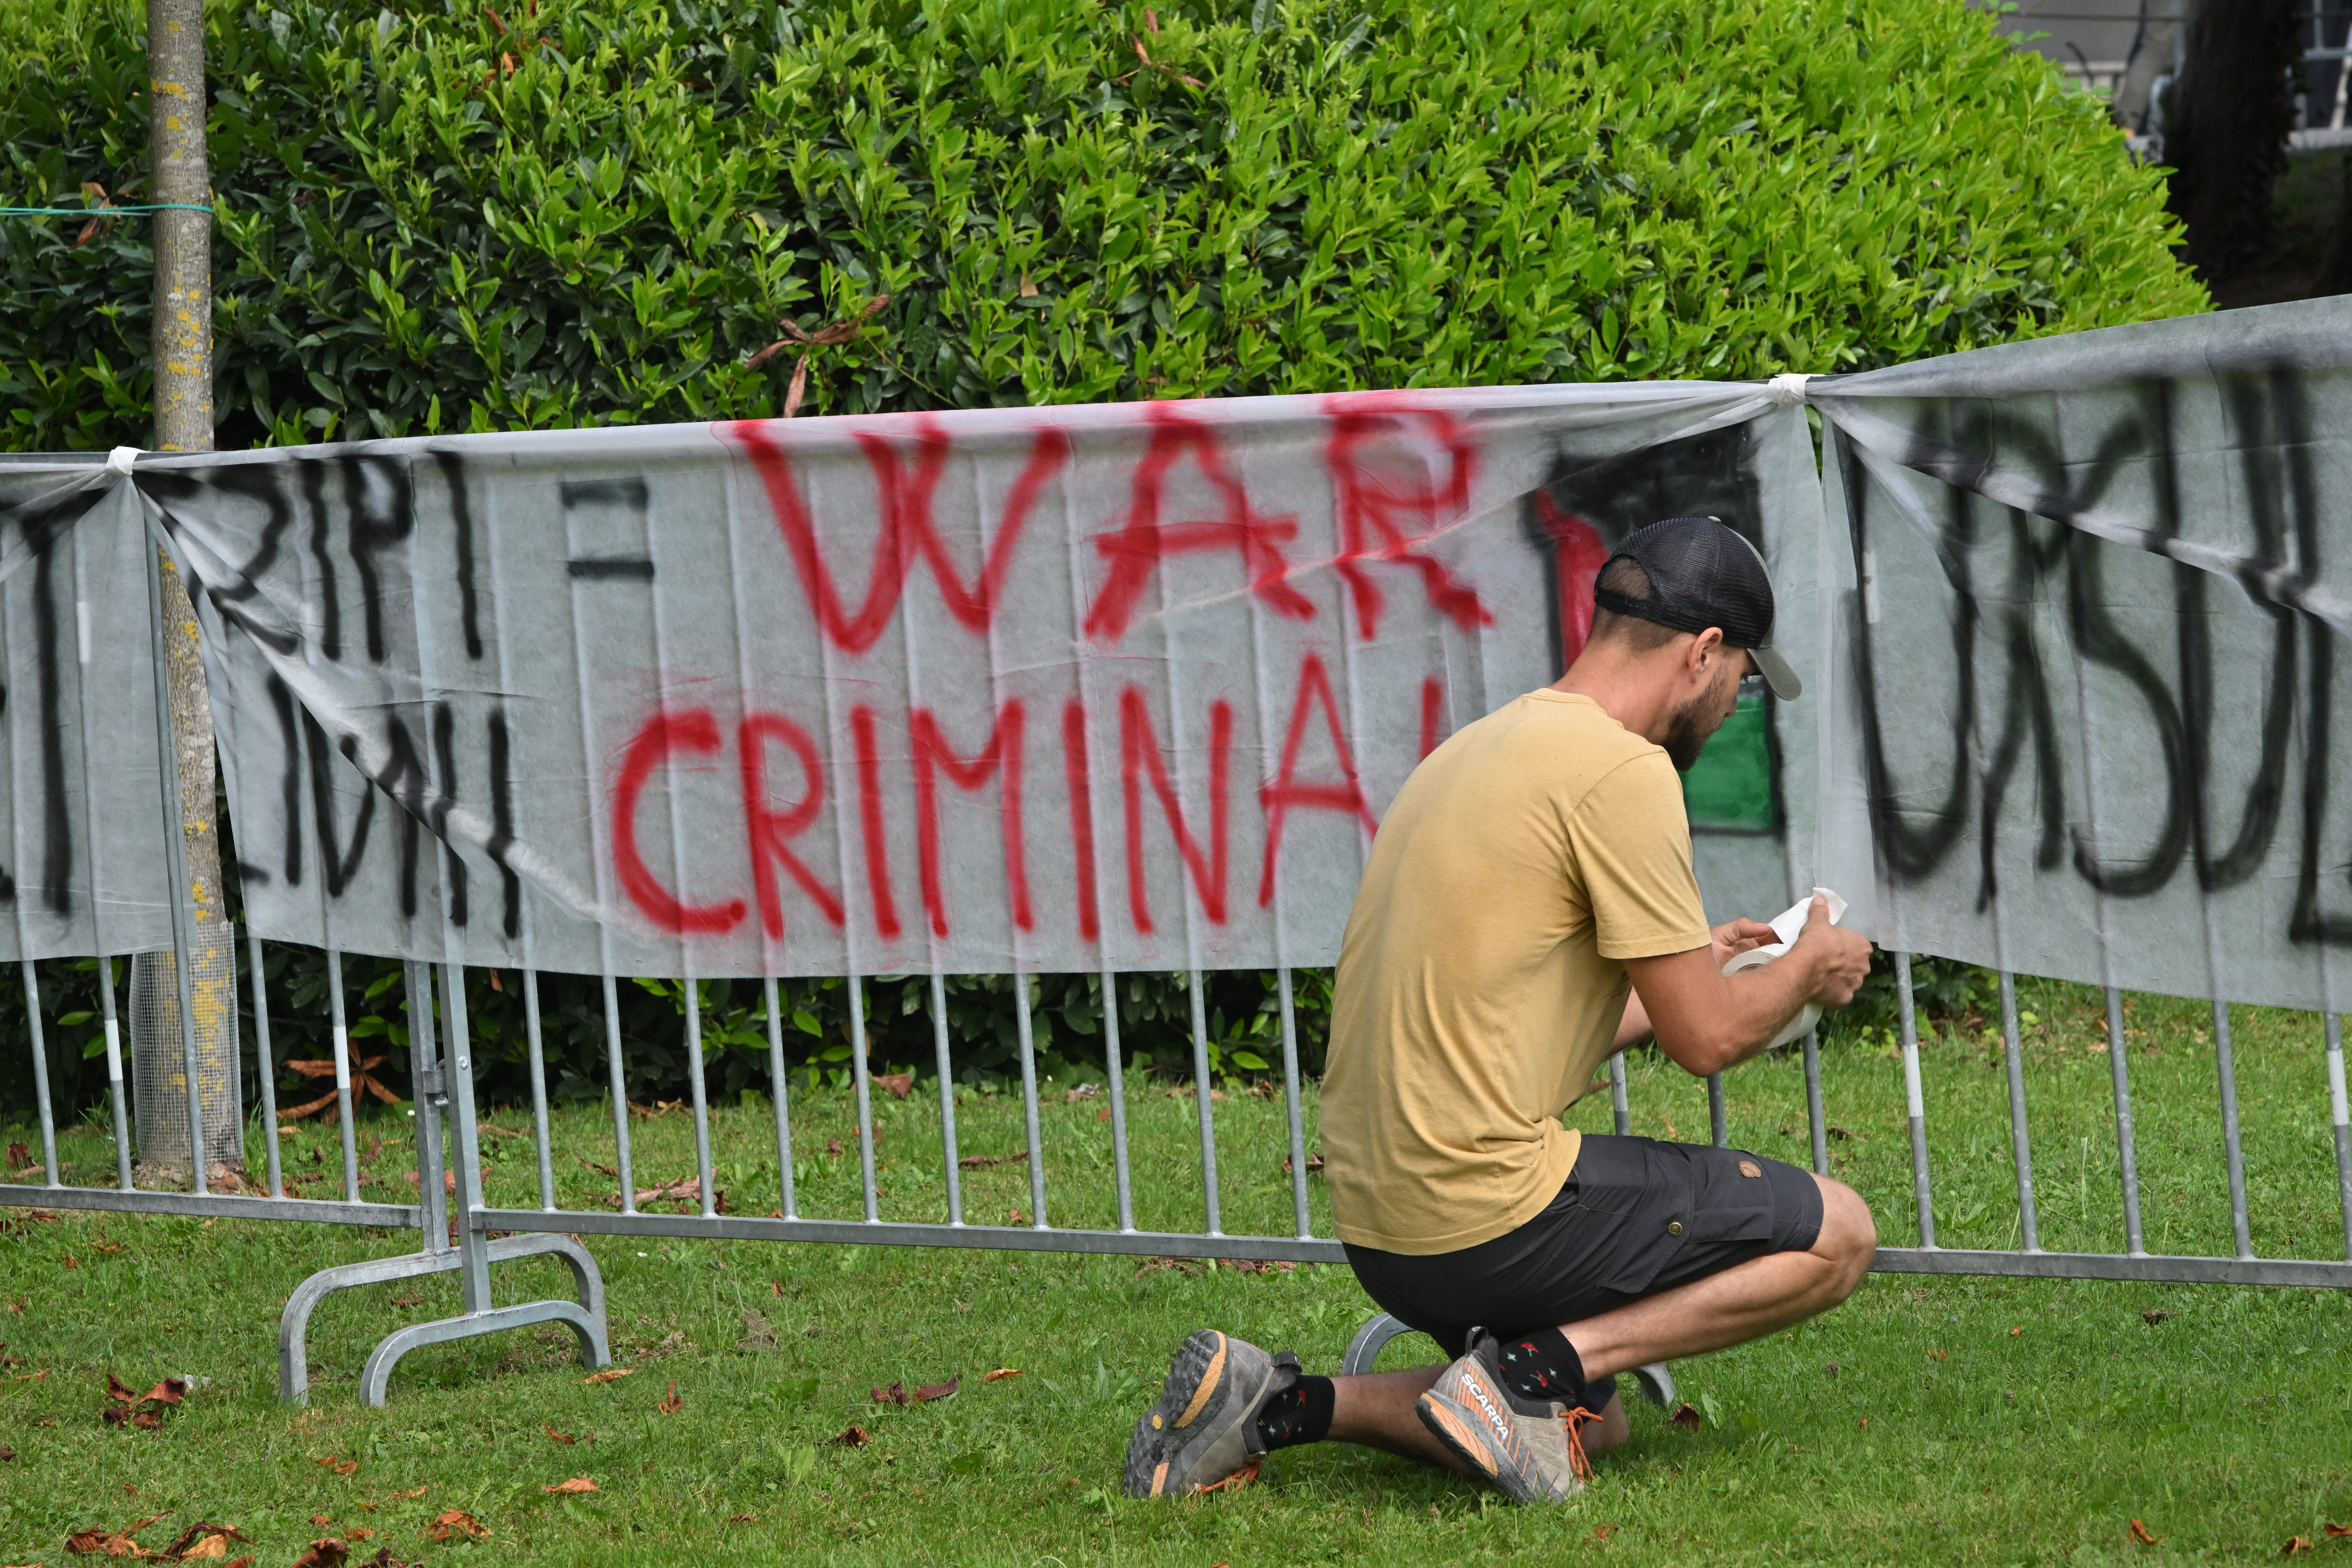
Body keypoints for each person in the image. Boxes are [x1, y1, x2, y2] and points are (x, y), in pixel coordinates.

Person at [1122, 515, 1878, 1503]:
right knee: (1841, 1235)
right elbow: (1709, 1041)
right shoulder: (1623, 770)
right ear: (1701, 654)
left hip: (1386, 1227)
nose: (1738, 701)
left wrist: (1709, 973)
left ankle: (1276, 1407)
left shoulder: (1478, 749)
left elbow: (1519, 1018)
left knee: (1588, 1431)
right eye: (1740, 675)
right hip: (1484, 1217)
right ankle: (1528, 1372)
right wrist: (1811, 965)